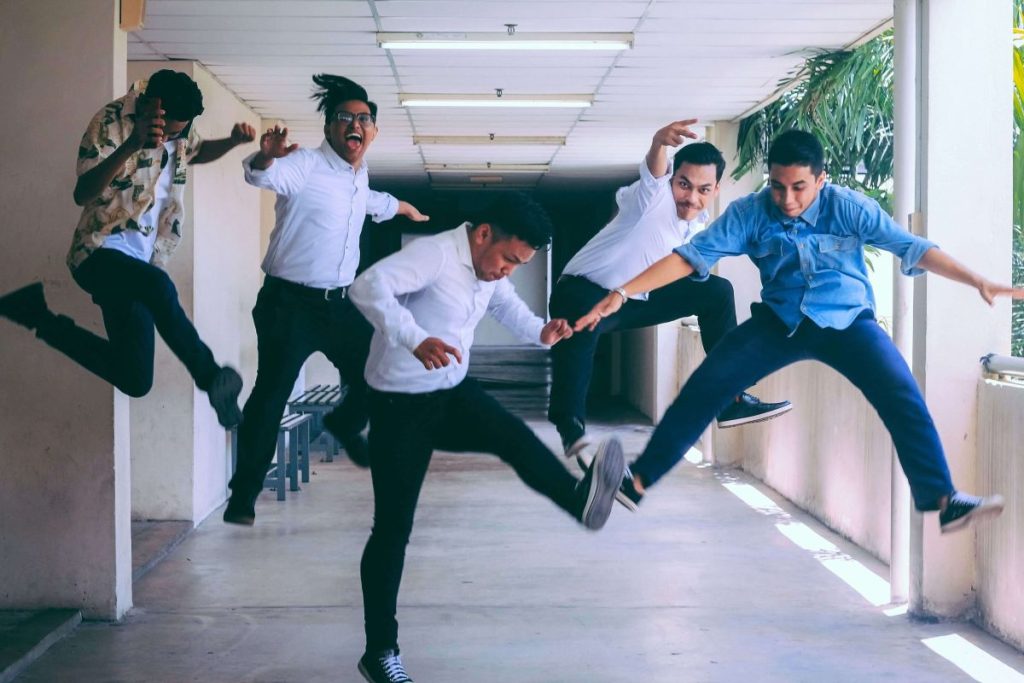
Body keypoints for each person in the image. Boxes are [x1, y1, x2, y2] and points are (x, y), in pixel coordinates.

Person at [576, 129, 1017, 533]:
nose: (786, 198)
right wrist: (623, 291)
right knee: (707, 386)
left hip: (848, 323)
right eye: (777, 185)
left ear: (820, 179)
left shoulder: (850, 208)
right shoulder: (750, 213)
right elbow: (691, 255)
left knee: (901, 394)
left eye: (798, 187)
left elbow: (913, 249)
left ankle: (943, 499)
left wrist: (976, 280)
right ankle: (636, 482)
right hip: (779, 323)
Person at [349, 193, 625, 683]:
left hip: (451, 390)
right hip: (399, 405)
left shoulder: (486, 270)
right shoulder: (434, 254)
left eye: (520, 264)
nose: (507, 271)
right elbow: (367, 287)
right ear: (482, 235)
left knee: (515, 437)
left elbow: (506, 305)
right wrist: (414, 337)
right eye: (509, 259)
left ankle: (580, 500)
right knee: (393, 530)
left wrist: (542, 331)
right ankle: (380, 652)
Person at [223, 74, 429, 526]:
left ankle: (344, 424)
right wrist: (265, 155)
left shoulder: (359, 177)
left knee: (376, 375)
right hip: (288, 305)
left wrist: (404, 208)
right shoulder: (305, 166)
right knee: (272, 394)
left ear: (373, 131)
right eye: (345, 118)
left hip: (338, 306)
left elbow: (369, 201)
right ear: (329, 128)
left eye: (364, 120)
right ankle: (244, 495)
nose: (355, 125)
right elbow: (259, 173)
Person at [0, 69, 254, 426]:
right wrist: (133, 143)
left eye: (180, 130)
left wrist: (230, 142)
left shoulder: (179, 132)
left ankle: (37, 315)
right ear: (153, 104)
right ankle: (211, 377)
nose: (173, 136)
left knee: (135, 379)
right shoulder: (109, 122)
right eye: (170, 128)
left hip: (140, 262)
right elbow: (82, 193)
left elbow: (194, 152)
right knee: (158, 286)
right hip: (98, 252)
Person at [549, 120, 791, 467]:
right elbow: (654, 173)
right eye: (684, 185)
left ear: (716, 190)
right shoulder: (653, 198)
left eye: (703, 190)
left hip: (631, 300)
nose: (691, 197)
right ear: (672, 180)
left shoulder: (697, 228)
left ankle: (730, 398)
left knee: (718, 291)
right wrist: (658, 143)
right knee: (585, 317)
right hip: (578, 291)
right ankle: (570, 422)